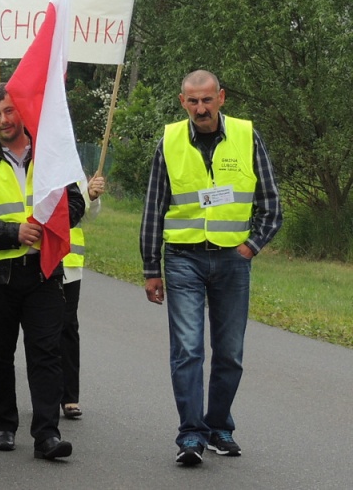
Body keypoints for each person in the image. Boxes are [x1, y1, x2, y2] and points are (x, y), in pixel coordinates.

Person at [141, 70, 282, 465]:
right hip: (183, 257)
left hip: (232, 260)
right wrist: (152, 267)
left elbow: (271, 205)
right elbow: (153, 208)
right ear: (182, 102)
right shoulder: (168, 140)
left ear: (221, 98)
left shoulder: (246, 135)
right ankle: (190, 435)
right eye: (192, 101)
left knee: (230, 353)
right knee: (187, 349)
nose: (200, 108)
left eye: (207, 100)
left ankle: (219, 426)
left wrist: (250, 247)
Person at [0, 83, 85, 460]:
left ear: (22, 110)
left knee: (46, 352)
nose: (4, 120)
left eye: (9, 111)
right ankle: (4, 426)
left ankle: (46, 434)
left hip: (43, 271)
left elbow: (74, 203)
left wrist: (49, 228)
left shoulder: (51, 154)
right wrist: (12, 233)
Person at [59, 174, 105, 419]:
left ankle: (69, 397)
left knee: (67, 327)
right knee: (39, 333)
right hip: (31, 259)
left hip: (68, 265)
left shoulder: (72, 171)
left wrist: (92, 196)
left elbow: (87, 214)